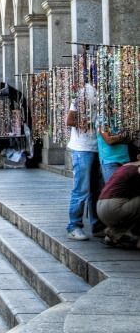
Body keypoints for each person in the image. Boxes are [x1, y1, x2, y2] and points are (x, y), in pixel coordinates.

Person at [66, 83, 100, 241]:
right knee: (82, 188)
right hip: (83, 147)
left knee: (96, 189)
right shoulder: (83, 92)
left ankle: (98, 226)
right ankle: (74, 226)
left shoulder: (108, 88)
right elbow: (70, 120)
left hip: (99, 147)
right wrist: (89, 125)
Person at [97, 159, 140, 248]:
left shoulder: (127, 166)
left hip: (101, 207)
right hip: (114, 208)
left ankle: (114, 233)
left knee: (135, 206)